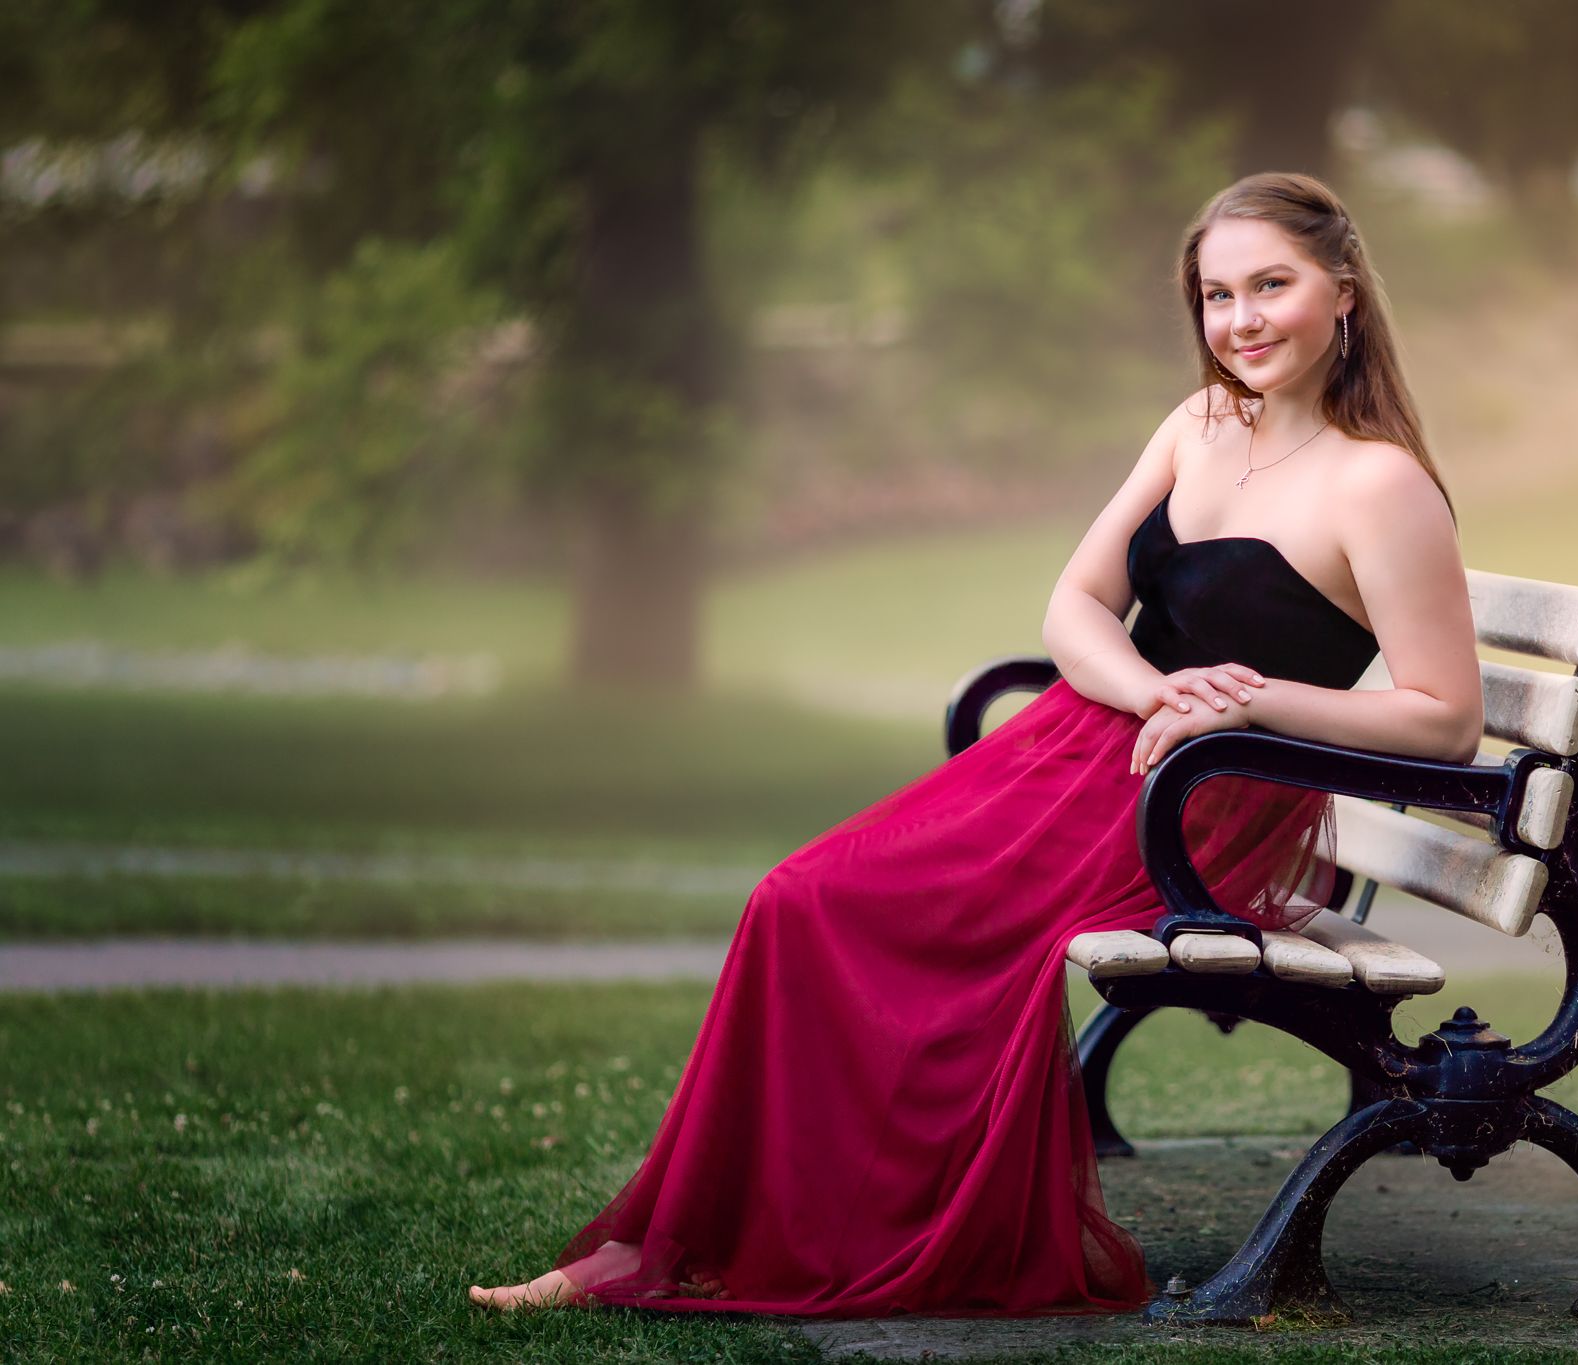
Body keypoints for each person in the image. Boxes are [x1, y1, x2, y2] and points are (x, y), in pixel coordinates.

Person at [468, 171, 1482, 1317]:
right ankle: (698, 1238)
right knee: (794, 898)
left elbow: (1441, 717)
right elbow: (1073, 608)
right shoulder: (1198, 424)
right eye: (1215, 295)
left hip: (1194, 806)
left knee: (836, 914)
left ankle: (824, 1240)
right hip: (1081, 746)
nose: (1240, 320)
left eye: (1270, 286)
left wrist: (1249, 706)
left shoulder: (1378, 484)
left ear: (1341, 292)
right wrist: (1154, 688)